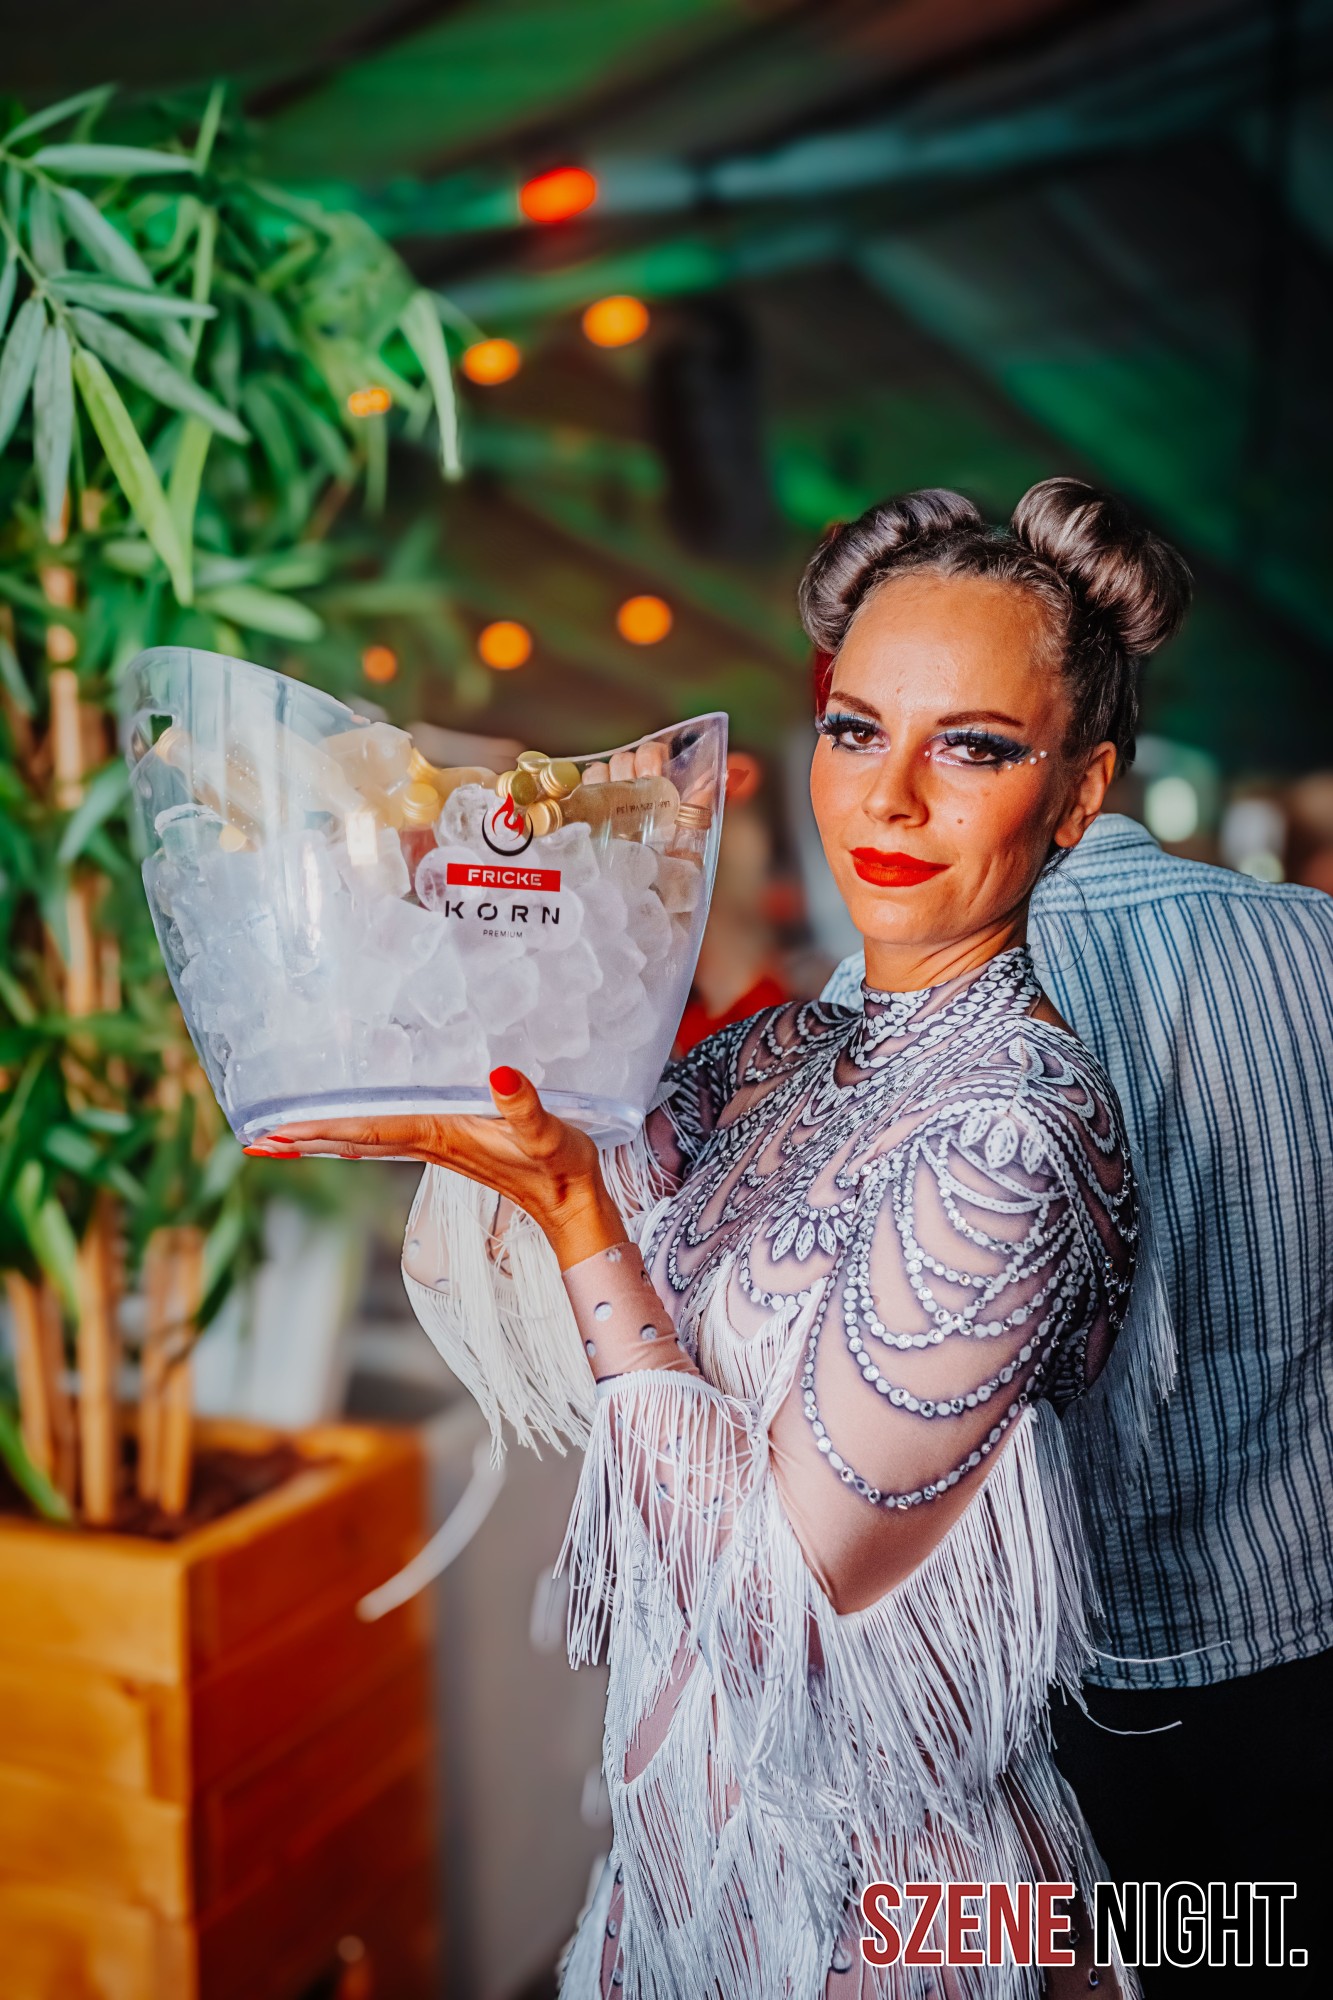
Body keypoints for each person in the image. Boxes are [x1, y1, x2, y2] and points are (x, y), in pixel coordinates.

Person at [249, 479, 1190, 1999]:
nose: (889, 798)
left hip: (882, 1915)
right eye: (855, 729)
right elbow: (544, 1251)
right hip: (683, 1860)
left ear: (1079, 795)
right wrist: (476, 983)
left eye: (972, 746)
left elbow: (781, 1615)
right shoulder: (786, 1052)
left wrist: (571, 1210)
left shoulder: (1010, 1138)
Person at [824, 802, 1333, 1985]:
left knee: (1095, 1967)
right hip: (1306, 1635)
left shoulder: (895, 993)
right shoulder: (1315, 941)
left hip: (1060, 1686)